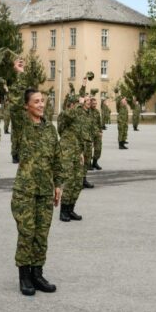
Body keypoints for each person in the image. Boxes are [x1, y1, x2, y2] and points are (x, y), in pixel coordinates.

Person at [8, 58, 63, 296]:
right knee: (27, 233)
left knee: (42, 233)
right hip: (25, 191)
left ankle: (38, 273)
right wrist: (19, 75)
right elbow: (13, 102)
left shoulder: (50, 128)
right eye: (37, 101)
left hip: (44, 190)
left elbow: (57, 158)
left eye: (43, 101)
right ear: (27, 106)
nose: (42, 104)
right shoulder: (22, 124)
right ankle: (24, 276)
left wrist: (59, 184)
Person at [58, 94, 84, 222]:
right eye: (77, 104)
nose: (80, 106)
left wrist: (81, 152)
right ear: (71, 104)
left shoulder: (76, 117)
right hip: (67, 152)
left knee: (78, 181)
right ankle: (63, 211)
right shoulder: (65, 115)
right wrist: (78, 103)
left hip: (76, 151)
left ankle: (71, 208)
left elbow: (78, 136)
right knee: (68, 181)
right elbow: (69, 114)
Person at [89, 96, 103, 170]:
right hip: (89, 133)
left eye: (96, 103)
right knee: (89, 149)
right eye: (93, 103)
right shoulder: (87, 111)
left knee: (98, 148)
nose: (95, 105)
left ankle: (95, 162)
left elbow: (99, 123)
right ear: (90, 103)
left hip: (97, 133)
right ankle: (88, 164)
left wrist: (101, 132)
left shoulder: (97, 112)